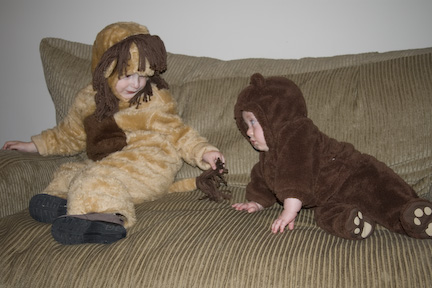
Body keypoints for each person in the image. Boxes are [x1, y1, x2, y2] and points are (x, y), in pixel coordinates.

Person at [2, 22, 225, 245]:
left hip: (150, 163)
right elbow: (69, 135)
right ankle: (63, 200)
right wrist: (34, 145)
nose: (136, 84)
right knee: (69, 171)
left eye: (143, 75)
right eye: (127, 75)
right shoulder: (88, 98)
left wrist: (204, 152)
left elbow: (179, 133)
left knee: (97, 177)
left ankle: (108, 218)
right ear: (105, 68)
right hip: (112, 163)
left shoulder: (153, 98)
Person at [232, 73, 432, 240]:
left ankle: (414, 214)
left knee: (382, 197)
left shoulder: (298, 132)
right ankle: (354, 222)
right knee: (326, 217)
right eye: (246, 125)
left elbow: (296, 169)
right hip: (327, 198)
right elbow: (263, 180)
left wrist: (290, 210)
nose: (249, 132)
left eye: (254, 122)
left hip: (352, 175)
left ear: (277, 116)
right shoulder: (267, 158)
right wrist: (256, 201)